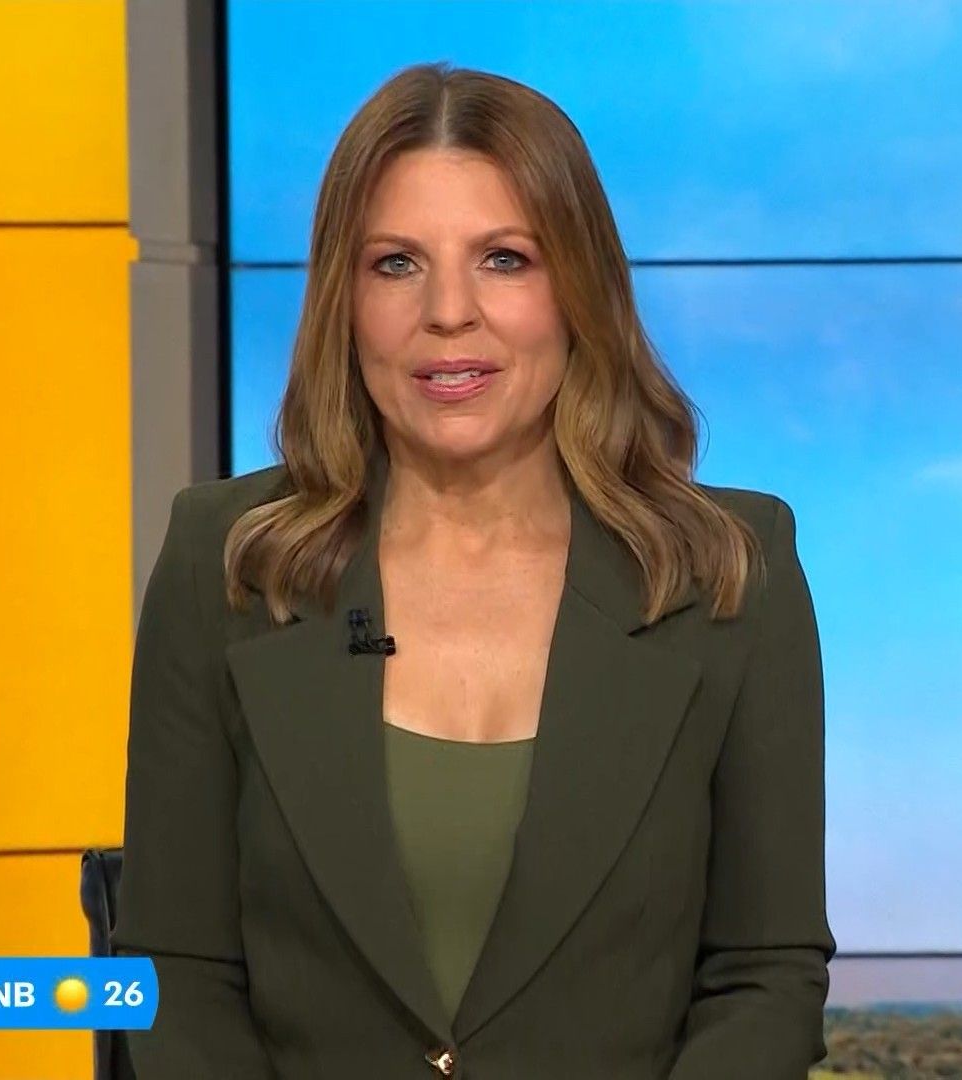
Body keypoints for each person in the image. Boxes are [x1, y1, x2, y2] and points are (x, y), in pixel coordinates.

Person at [112, 61, 835, 1079]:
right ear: (343, 301)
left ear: (579, 288)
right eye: (396, 264)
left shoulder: (728, 572)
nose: (448, 311)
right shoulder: (225, 561)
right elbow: (176, 972)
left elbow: (764, 978)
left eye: (504, 259)